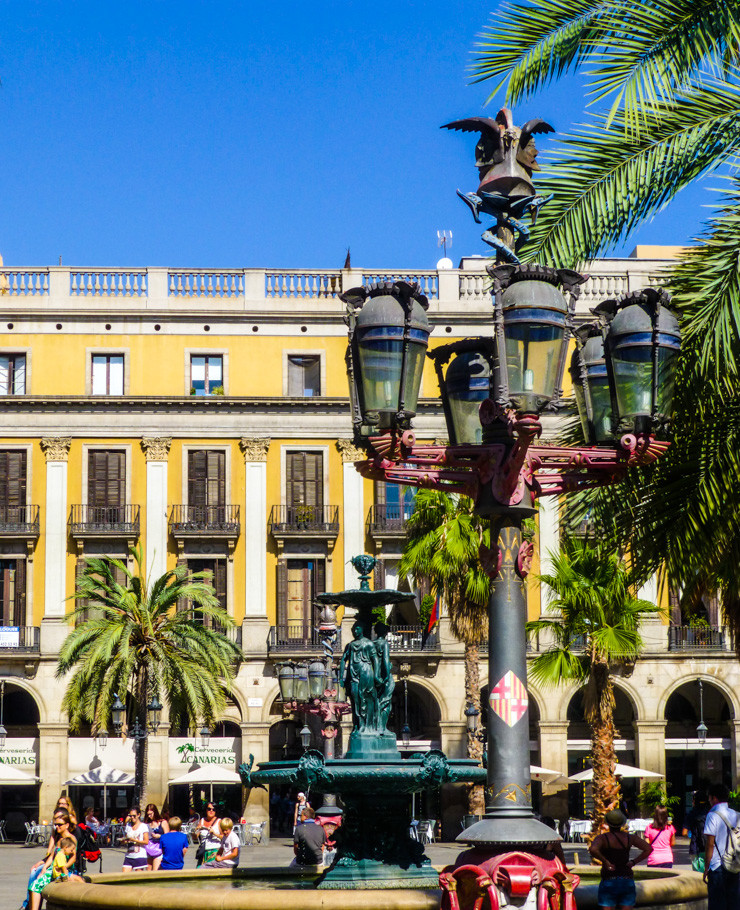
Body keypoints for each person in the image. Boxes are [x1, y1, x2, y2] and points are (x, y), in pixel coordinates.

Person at [589, 809, 652, 910]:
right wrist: (633, 862)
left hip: (609, 879)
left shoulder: (603, 838)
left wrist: (605, 861)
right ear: (622, 823)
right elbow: (648, 848)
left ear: (607, 823)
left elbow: (593, 849)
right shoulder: (629, 838)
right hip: (626, 879)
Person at [28, 812, 78, 910]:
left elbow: (73, 858)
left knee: (35, 886)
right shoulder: (58, 838)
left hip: (62, 870)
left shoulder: (71, 838)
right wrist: (44, 868)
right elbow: (52, 856)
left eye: (60, 824)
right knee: (33, 885)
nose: (57, 826)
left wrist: (64, 867)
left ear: (67, 825)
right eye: (55, 824)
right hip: (53, 869)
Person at [703, 782, 740, 909]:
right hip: (735, 863)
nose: (709, 800)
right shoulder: (737, 814)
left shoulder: (712, 815)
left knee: (717, 904)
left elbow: (710, 844)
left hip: (717, 866)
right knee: (734, 902)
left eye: (709, 797)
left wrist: (706, 867)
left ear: (714, 798)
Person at [122, 806, 150, 872]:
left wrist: (134, 840)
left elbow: (146, 842)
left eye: (134, 816)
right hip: (129, 855)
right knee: (124, 876)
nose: (132, 817)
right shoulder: (128, 825)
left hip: (139, 855)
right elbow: (126, 839)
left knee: (138, 877)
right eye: (130, 816)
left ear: (138, 815)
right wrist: (124, 841)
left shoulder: (143, 826)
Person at [144, 803, 169, 871]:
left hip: (159, 850)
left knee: (155, 871)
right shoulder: (146, 824)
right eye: (148, 814)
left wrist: (160, 836)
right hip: (148, 849)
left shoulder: (163, 822)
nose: (149, 816)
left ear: (155, 812)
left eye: (151, 814)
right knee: (148, 871)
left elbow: (168, 837)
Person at [685, 790, 709, 859]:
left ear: (694, 801)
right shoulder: (710, 813)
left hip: (695, 847)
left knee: (697, 869)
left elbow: (684, 832)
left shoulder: (691, 814)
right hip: (709, 847)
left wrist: (691, 835)